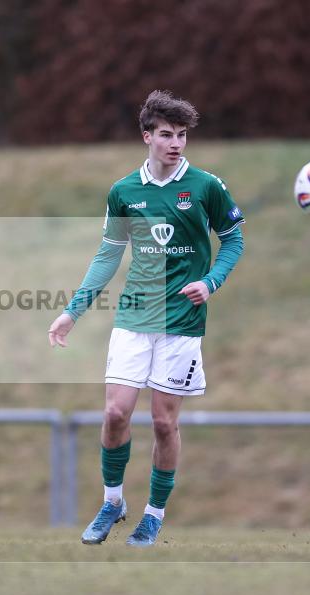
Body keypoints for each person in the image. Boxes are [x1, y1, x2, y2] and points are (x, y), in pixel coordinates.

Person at [47, 90, 245, 546]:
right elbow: (107, 255)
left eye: (182, 135)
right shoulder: (124, 192)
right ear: (146, 137)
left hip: (181, 321)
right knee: (116, 412)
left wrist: (211, 281)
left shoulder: (206, 187)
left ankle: (153, 514)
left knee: (162, 422)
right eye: (166, 135)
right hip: (134, 315)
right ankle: (113, 501)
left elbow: (233, 240)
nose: (176, 143)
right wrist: (72, 311)